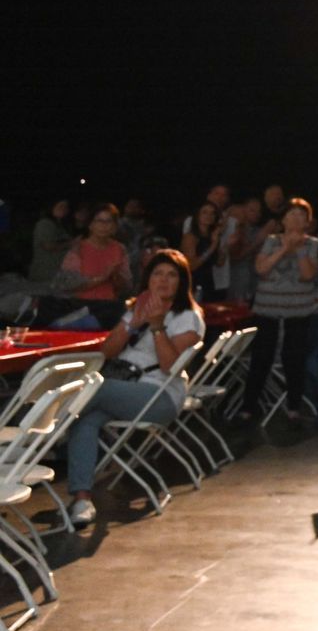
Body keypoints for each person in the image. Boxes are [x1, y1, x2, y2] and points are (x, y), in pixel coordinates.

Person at [64, 249, 205, 526]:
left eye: (171, 275)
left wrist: (157, 326)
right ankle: (82, 500)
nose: (163, 280)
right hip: (123, 388)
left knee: (88, 390)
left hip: (159, 395)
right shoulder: (137, 308)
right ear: (148, 279)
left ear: (181, 282)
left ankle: (36, 433)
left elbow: (169, 366)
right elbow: (106, 352)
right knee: (85, 420)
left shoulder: (188, 317)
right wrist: (132, 324)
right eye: (157, 274)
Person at [239, 198, 318, 422]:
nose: (296, 219)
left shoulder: (313, 244)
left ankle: (294, 407)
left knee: (294, 359)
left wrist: (299, 250)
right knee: (261, 358)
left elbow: (308, 274)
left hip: (298, 310)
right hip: (268, 309)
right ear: (283, 219)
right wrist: (285, 248)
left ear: (307, 222)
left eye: (301, 215)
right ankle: (248, 407)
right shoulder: (271, 241)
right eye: (292, 214)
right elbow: (261, 268)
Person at [56, 203, 133, 326]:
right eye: (99, 221)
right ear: (90, 224)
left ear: (114, 225)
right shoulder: (79, 248)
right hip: (80, 309)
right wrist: (101, 278)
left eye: (108, 221)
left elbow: (127, 286)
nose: (104, 226)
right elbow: (65, 284)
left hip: (109, 308)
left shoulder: (119, 249)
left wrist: (116, 277)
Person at [179, 202, 222, 301]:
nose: (209, 216)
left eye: (212, 213)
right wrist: (212, 246)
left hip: (209, 281)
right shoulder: (190, 237)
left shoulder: (212, 236)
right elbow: (191, 265)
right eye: (205, 212)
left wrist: (224, 245)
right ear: (197, 215)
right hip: (194, 281)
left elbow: (219, 262)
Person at [28, 200, 71, 286]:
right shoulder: (44, 224)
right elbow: (48, 246)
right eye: (60, 206)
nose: (63, 209)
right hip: (45, 272)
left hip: (57, 272)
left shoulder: (60, 225)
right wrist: (70, 243)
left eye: (66, 207)